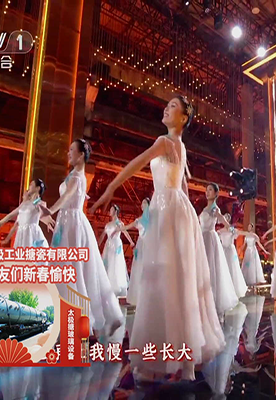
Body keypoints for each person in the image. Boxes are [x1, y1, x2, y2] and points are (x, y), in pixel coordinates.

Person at [89, 96, 224, 381]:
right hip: (176, 210)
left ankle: (169, 357)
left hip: (168, 210)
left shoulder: (165, 141)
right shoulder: (180, 146)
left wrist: (111, 187)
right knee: (178, 280)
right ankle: (183, 359)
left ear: (184, 118)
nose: (166, 108)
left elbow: (136, 163)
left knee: (164, 280)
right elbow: (183, 186)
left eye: (173, 106)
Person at [41, 139, 123, 337]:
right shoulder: (73, 175)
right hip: (67, 222)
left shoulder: (77, 177)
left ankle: (77, 319)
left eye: (71, 150)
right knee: (74, 270)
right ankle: (66, 317)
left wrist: (50, 210)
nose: (68, 153)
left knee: (74, 270)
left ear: (80, 155)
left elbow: (67, 197)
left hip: (72, 225)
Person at [200, 183, 239, 315]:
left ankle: (211, 301)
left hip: (209, 239)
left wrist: (231, 229)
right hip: (202, 238)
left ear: (216, 193)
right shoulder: (205, 208)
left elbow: (223, 220)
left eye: (210, 190)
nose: (207, 192)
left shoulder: (215, 209)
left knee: (210, 268)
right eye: (206, 190)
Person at [0, 179, 55, 247]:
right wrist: (1, 223)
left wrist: (47, 220)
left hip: (31, 234)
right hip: (21, 235)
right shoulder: (24, 204)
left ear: (38, 188)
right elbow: (12, 216)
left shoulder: (40, 203)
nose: (29, 187)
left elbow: (43, 213)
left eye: (31, 185)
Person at [98, 204, 134, 297]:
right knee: (108, 263)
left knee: (116, 264)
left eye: (111, 210)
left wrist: (131, 242)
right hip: (108, 245)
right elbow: (102, 235)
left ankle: (116, 287)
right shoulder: (107, 225)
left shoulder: (119, 223)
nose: (110, 211)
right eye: (110, 210)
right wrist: (97, 245)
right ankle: (107, 286)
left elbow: (125, 232)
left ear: (116, 211)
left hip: (116, 244)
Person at [124, 198, 150, 305]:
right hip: (140, 244)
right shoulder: (138, 220)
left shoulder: (153, 219)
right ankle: (138, 295)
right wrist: (120, 228)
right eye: (142, 203)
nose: (142, 205)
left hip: (149, 244)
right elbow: (128, 226)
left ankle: (147, 295)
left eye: (144, 203)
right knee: (138, 267)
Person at [218, 213, 248, 298]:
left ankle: (234, 288)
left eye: (227, 218)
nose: (225, 219)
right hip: (223, 250)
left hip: (230, 250)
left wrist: (248, 234)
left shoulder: (232, 229)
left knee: (232, 268)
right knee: (223, 268)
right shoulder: (220, 231)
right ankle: (224, 288)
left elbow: (239, 232)